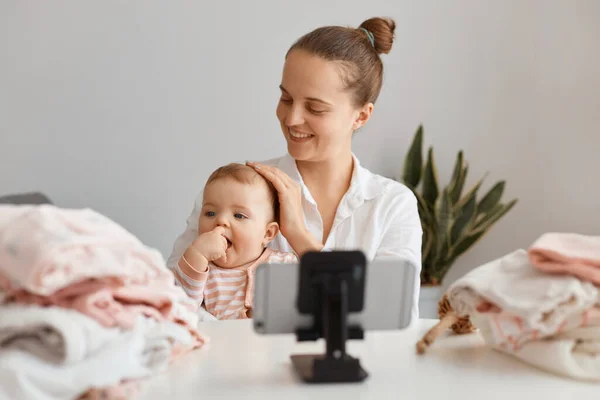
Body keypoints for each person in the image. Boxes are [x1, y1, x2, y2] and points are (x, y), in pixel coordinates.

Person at [167, 17, 423, 320]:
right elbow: (168, 302)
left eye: (315, 108)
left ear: (361, 116)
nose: (291, 119)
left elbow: (393, 317)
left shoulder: (392, 204)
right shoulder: (234, 192)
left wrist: (299, 234)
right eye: (286, 98)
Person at [171, 163, 297, 320]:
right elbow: (178, 306)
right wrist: (196, 255)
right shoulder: (202, 271)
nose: (221, 220)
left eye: (239, 215)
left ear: (268, 233)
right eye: (210, 213)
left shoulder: (283, 263)